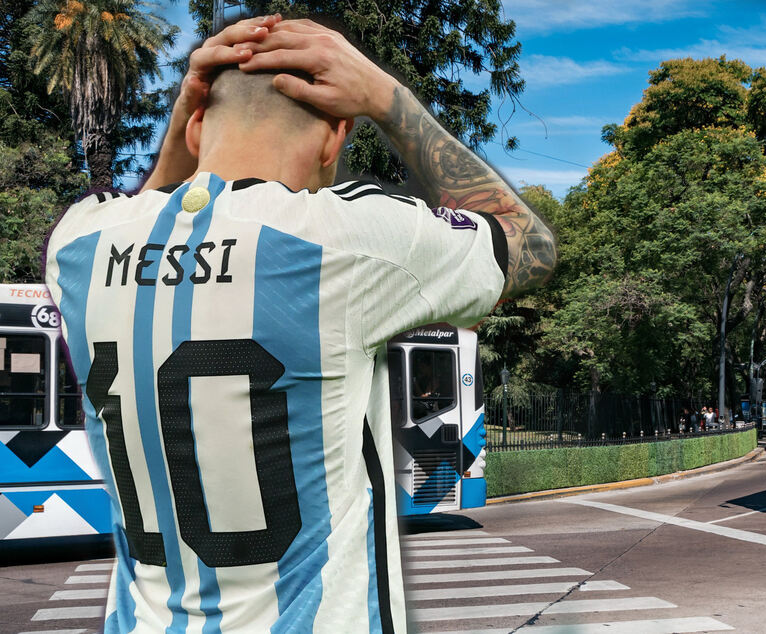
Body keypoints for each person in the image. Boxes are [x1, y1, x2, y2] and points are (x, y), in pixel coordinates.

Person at [44, 16, 556, 634]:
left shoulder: (79, 243)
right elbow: (529, 243)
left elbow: (153, 210)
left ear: (197, 122)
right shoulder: (343, 240)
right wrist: (390, 99)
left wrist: (188, 111)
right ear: (334, 139)